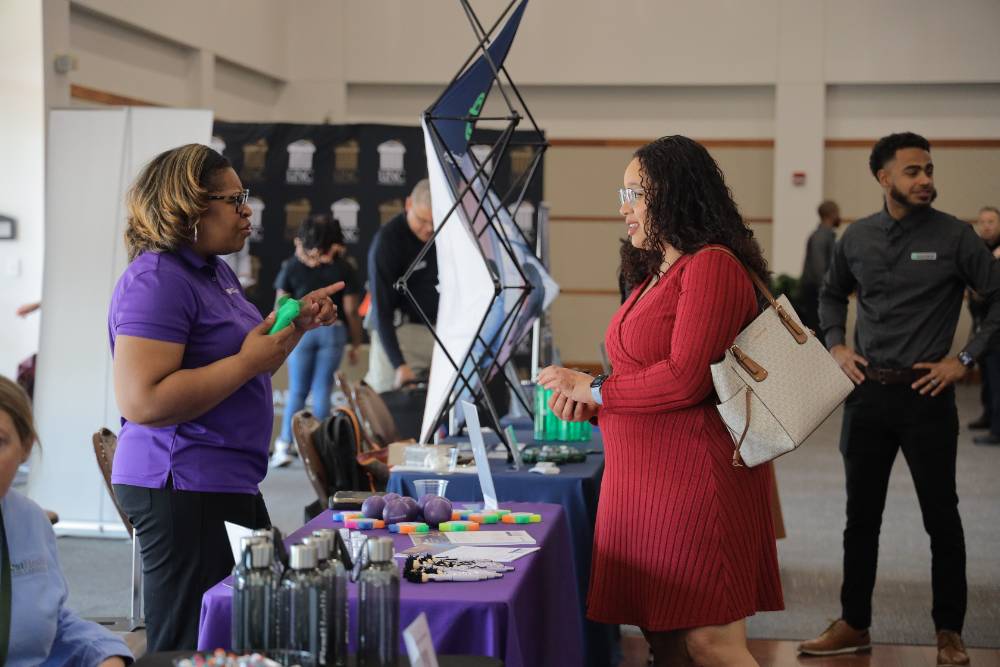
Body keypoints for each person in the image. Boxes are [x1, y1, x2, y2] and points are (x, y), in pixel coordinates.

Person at [539, 135, 783, 667]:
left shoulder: (712, 266)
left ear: (674, 194)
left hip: (695, 480)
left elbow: (685, 380)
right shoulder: (656, 271)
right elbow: (638, 373)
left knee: (710, 644)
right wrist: (597, 401)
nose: (623, 207)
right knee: (665, 640)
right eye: (621, 193)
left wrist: (596, 388)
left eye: (635, 193)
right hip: (644, 483)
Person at [108, 144, 343, 650]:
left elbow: (248, 369)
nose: (246, 210)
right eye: (232, 198)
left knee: (246, 634)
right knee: (187, 645)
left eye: (245, 195)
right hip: (181, 482)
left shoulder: (214, 270)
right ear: (188, 207)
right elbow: (142, 401)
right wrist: (246, 362)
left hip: (224, 478)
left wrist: (294, 326)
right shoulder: (156, 280)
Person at [803, 133, 1000, 666]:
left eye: (929, 169)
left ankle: (950, 632)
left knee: (943, 517)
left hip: (926, 397)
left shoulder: (957, 237)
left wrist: (965, 360)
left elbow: (997, 298)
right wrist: (837, 344)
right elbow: (829, 293)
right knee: (860, 518)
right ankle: (854, 624)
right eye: (913, 171)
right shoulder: (856, 238)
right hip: (867, 397)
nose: (926, 180)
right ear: (884, 178)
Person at [0, 375, 133, 666]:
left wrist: (105, 652)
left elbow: (53, 622)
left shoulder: (30, 522)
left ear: (25, 448)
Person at [270, 214, 363, 468]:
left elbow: (280, 303)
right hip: (333, 330)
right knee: (322, 389)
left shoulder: (292, 265)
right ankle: (320, 449)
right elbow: (352, 310)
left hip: (301, 330)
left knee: (297, 390)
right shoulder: (344, 267)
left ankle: (284, 447)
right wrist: (356, 343)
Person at [364, 179, 437, 392]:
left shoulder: (444, 233)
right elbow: (381, 311)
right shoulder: (387, 242)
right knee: (386, 403)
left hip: (436, 335)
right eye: (422, 221)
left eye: (434, 222)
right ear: (408, 205)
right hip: (398, 334)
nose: (429, 229)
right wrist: (399, 364)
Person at [967, 205, 1000, 439]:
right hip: (981, 320)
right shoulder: (977, 249)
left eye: (991, 221)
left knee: (997, 378)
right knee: (987, 375)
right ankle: (988, 415)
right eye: (983, 222)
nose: (986, 226)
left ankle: (997, 430)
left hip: (997, 325)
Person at [797, 200, 841, 333]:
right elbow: (819, 268)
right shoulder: (821, 237)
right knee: (819, 332)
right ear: (831, 215)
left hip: (817, 291)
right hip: (816, 293)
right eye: (837, 213)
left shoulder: (824, 235)